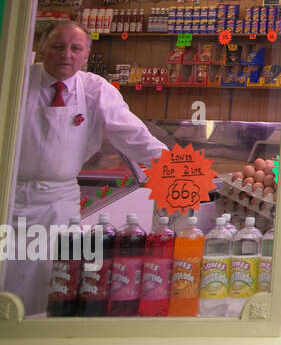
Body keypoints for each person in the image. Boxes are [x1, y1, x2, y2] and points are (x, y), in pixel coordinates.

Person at [5, 21, 168, 313]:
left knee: (54, 272)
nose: (66, 54)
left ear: (86, 54)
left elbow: (136, 137)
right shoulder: (15, 80)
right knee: (7, 269)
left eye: (75, 48)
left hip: (58, 203)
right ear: (41, 48)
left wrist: (180, 171)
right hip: (8, 195)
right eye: (57, 46)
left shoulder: (95, 90)